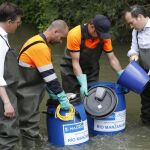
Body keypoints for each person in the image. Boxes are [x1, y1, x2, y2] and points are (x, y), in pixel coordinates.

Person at [17, 20, 71, 143]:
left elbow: (43, 72)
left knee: (25, 125)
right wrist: (62, 96)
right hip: (27, 93)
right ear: (55, 31)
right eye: (61, 37)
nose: (61, 41)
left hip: (25, 90)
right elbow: (50, 77)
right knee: (29, 126)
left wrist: (51, 91)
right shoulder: (41, 47)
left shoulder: (36, 39)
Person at [60, 14, 123, 98]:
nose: (101, 37)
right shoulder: (75, 34)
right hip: (70, 69)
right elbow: (75, 62)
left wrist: (122, 75)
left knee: (91, 97)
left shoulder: (104, 36)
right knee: (72, 98)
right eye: (99, 33)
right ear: (92, 26)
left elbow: (112, 58)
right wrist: (82, 82)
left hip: (91, 70)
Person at [0, 2, 23, 150]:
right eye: (18, 22)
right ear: (9, 22)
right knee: (9, 134)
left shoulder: (3, 37)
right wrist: (7, 102)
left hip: (7, 91)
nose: (18, 25)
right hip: (3, 94)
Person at [123, 5, 150, 124]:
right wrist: (133, 55)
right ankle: (146, 125)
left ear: (139, 17)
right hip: (144, 72)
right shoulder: (136, 32)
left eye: (131, 22)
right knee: (146, 102)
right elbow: (134, 48)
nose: (131, 26)